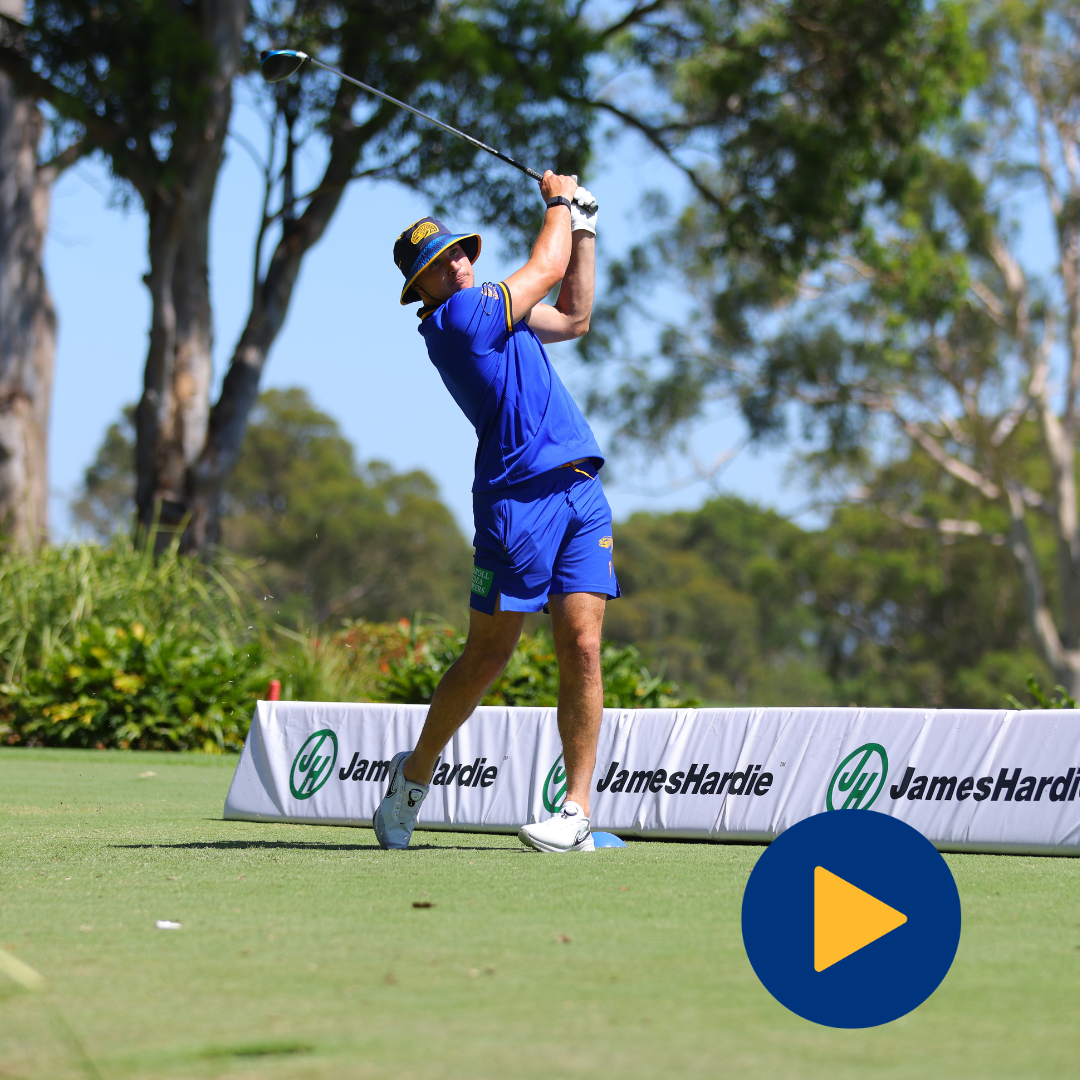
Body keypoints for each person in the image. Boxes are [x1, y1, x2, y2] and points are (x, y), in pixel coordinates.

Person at [374, 172, 618, 853]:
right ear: (419, 288)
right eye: (437, 263)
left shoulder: (495, 308)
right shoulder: (459, 319)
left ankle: (575, 811)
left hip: (579, 489)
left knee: (583, 646)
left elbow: (574, 317)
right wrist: (559, 202)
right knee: (487, 655)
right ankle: (412, 778)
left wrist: (584, 229)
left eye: (458, 252)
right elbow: (545, 266)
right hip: (516, 504)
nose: (455, 264)